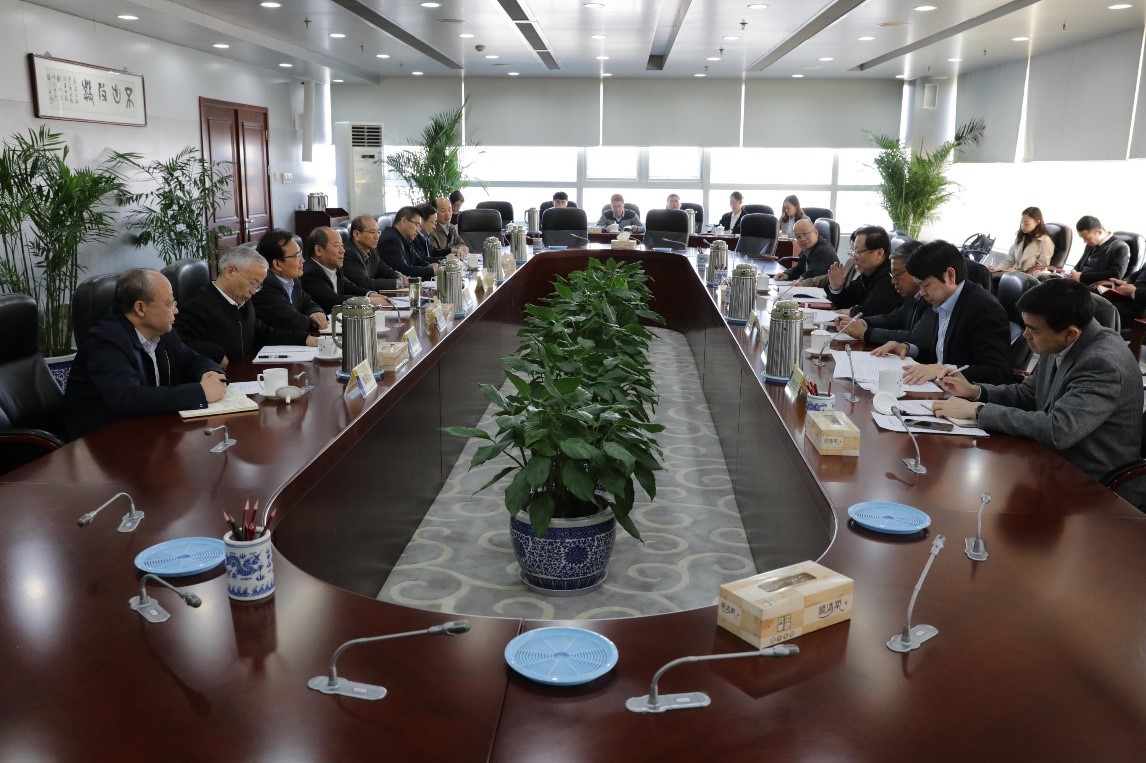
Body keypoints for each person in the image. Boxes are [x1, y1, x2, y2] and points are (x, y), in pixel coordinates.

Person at [933, 278, 1142, 502]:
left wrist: (977, 411)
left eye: (1032, 329)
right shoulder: (1060, 339)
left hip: (1093, 483)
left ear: (1070, 333)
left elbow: (1059, 429)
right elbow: (1029, 394)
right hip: (1049, 460)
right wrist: (975, 392)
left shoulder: (1103, 364)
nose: (1025, 335)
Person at [63, 269, 226, 439]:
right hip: (100, 441)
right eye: (169, 303)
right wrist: (200, 392)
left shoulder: (161, 330)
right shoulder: (106, 341)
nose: (176, 311)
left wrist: (210, 372)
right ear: (140, 308)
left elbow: (190, 358)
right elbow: (128, 399)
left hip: (146, 430)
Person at [871, 240, 1011, 385]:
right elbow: (940, 353)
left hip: (960, 396)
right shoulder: (943, 299)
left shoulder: (984, 308)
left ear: (950, 275)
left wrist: (943, 370)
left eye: (926, 285)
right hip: (935, 388)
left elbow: (998, 373)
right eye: (919, 285)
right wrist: (907, 348)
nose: (922, 293)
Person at [175, 247, 315, 367]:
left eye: (258, 286)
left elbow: (262, 333)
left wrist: (304, 339)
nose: (254, 291)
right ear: (230, 272)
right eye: (253, 283)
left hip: (245, 372)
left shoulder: (244, 302)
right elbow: (176, 340)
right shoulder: (199, 305)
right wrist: (215, 354)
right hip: (219, 378)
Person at [838, 241, 933, 344]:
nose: (893, 281)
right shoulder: (912, 295)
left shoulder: (932, 299)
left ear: (916, 271)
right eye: (892, 275)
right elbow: (894, 318)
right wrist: (862, 322)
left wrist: (865, 333)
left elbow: (916, 339)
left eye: (897, 274)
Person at [251, 229, 327, 334]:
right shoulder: (265, 286)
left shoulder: (292, 280)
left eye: (300, 254)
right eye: (297, 256)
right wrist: (313, 321)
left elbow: (307, 302)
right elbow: (294, 323)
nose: (303, 260)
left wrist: (316, 312)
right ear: (277, 264)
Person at [301, 226, 390, 313]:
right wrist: (369, 300)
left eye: (342, 245)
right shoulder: (310, 273)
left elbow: (349, 286)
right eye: (336, 246)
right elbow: (334, 301)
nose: (342, 250)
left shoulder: (334, 266)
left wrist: (370, 294)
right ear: (318, 250)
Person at [824, 225, 902, 317]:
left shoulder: (889, 278)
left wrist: (852, 311)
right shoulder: (867, 273)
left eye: (858, 252)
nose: (854, 257)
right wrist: (836, 288)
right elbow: (846, 302)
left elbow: (871, 311)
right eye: (853, 251)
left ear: (879, 253)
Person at [344, 214, 407, 293]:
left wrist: (400, 277)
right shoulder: (348, 253)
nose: (377, 236)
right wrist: (400, 284)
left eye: (378, 232)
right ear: (357, 234)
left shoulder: (373, 250)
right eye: (372, 232)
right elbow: (366, 283)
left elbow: (386, 271)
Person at [989, 206, 1054, 274]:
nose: (1023, 226)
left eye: (1026, 223)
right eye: (1021, 223)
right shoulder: (1021, 236)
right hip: (1012, 274)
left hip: (1027, 278)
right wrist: (998, 268)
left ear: (1037, 222)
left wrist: (1019, 273)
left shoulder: (1046, 241)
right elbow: (1010, 260)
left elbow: (1041, 270)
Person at [379, 206, 438, 279]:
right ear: (403, 221)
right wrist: (431, 271)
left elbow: (417, 260)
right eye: (417, 224)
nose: (418, 230)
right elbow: (403, 270)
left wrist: (429, 266)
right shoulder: (390, 241)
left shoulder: (404, 237)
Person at [1069, 215, 1129, 284]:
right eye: (1082, 238)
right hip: (1080, 282)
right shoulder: (1091, 243)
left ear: (1099, 232)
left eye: (1087, 238)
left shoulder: (1120, 247)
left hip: (1095, 285)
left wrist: (1082, 277)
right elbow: (1081, 263)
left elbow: (1116, 274)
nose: (1085, 241)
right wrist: (1074, 271)